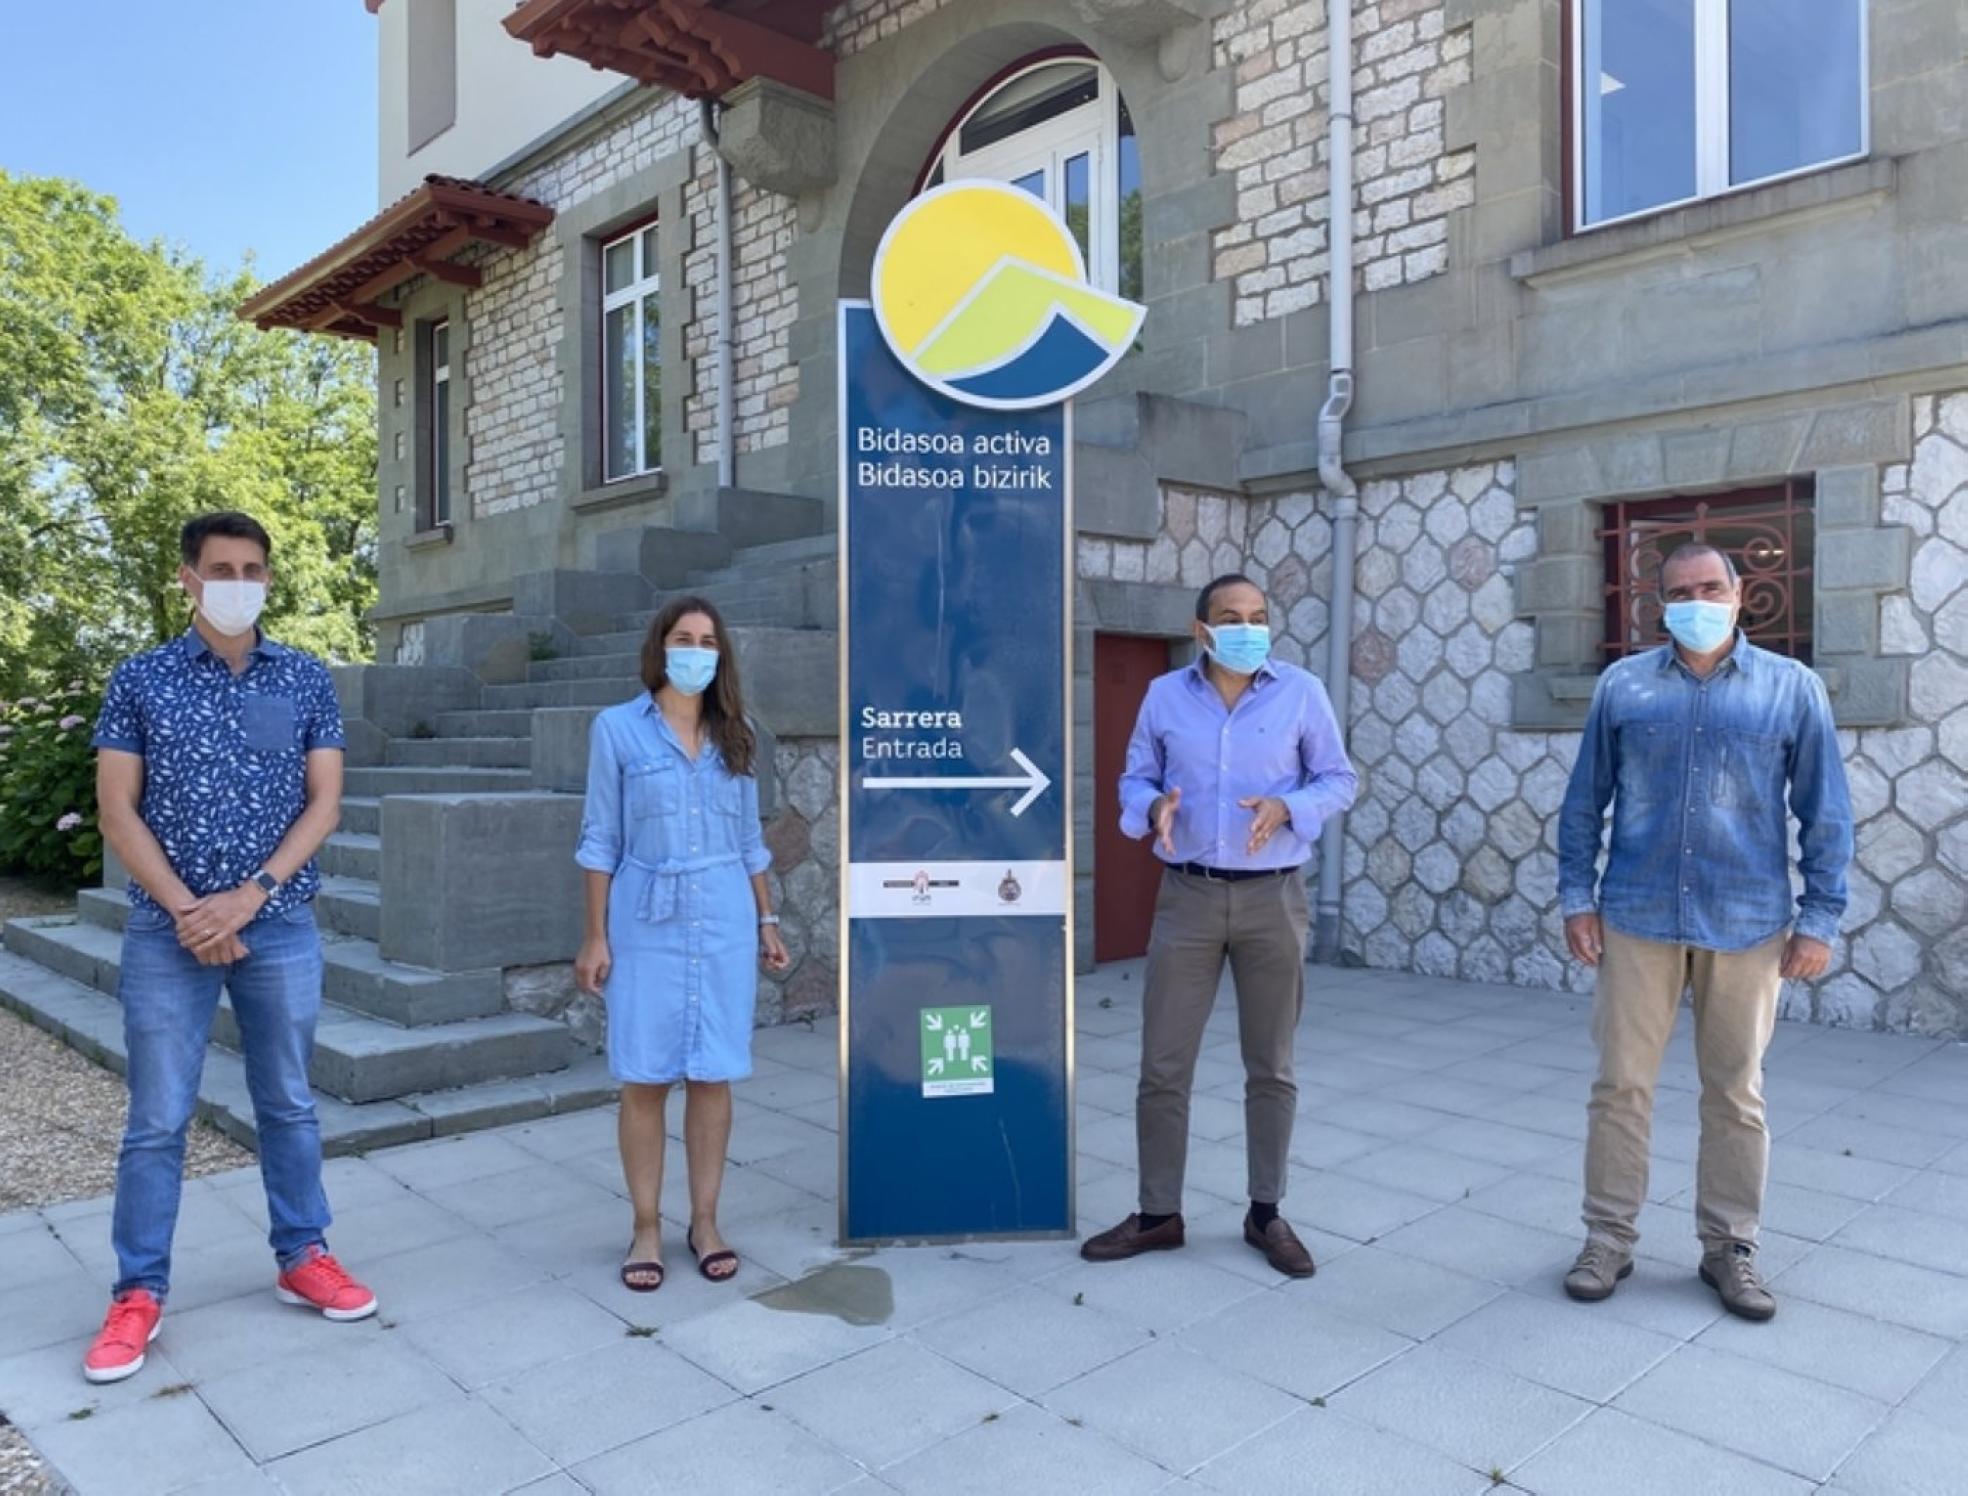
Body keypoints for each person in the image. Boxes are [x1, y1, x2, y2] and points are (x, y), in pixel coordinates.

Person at [82, 512, 375, 1385]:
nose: (238, 580)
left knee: (287, 1101)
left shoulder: (305, 678)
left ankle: (302, 1253)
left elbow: (323, 803)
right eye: (221, 567)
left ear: (268, 580)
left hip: (277, 922)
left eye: (252, 568)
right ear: (188, 579)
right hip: (167, 932)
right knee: (156, 1121)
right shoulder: (140, 680)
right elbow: (116, 810)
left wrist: (250, 898)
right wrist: (189, 912)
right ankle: (137, 1293)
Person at [1557, 542, 1852, 1321]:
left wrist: (1819, 917)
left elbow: (1825, 812)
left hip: (1748, 921)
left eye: (1710, 586)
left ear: (1739, 592)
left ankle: (1731, 1247)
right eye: (1681, 590)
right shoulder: (1623, 687)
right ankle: (1608, 1238)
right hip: (1638, 917)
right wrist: (1575, 899)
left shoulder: (1791, 689)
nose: (1696, 600)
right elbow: (1585, 801)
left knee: (1735, 1093)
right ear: (1659, 603)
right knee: (1619, 1088)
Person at [1083, 574, 1358, 1277]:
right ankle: (1157, 1214)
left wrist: (1288, 808)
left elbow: (1338, 779)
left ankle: (1267, 1213)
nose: (1247, 627)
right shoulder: (1165, 695)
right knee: (1163, 1065)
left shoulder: (1300, 691)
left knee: (1272, 1065)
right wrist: (1152, 811)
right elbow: (1133, 778)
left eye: (1259, 616)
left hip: (1274, 897)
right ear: (1201, 628)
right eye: (1231, 617)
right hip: (1189, 897)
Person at [575, 596, 790, 1292]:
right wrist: (595, 935)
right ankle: (644, 1225)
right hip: (647, 919)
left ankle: (704, 1220)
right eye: (683, 638)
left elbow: (750, 841)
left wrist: (766, 921)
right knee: (644, 1074)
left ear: (720, 654)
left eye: (707, 640)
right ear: (660, 647)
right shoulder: (617, 730)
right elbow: (600, 838)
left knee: (712, 1071)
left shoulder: (740, 734)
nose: (695, 650)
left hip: (724, 917)